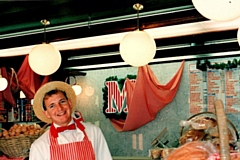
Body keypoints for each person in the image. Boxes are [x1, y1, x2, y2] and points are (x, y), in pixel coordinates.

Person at [29, 81, 112, 160]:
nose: (60, 108)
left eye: (62, 101)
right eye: (52, 106)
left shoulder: (94, 132)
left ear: (70, 103)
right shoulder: (39, 146)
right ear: (47, 114)